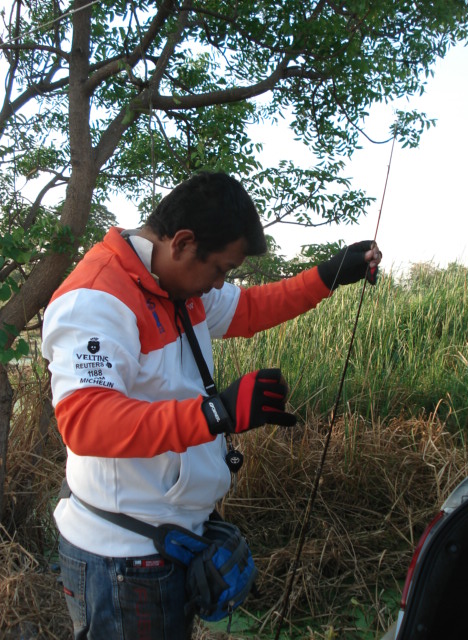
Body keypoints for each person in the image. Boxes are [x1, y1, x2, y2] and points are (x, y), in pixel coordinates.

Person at [41, 171, 382, 639]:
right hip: (122, 561)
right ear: (182, 242)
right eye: (220, 268)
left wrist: (327, 276)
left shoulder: (175, 284)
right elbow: (87, 422)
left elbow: (247, 309)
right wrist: (215, 413)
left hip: (169, 542)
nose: (218, 283)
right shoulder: (96, 300)